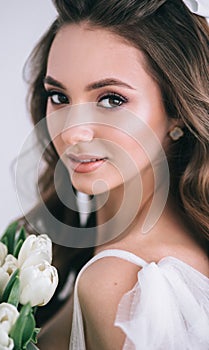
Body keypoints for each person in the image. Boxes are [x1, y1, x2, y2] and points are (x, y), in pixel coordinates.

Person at [17, 0, 209, 349]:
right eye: (59, 96)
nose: (73, 132)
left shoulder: (122, 279)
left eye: (111, 100)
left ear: (177, 111)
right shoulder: (148, 257)